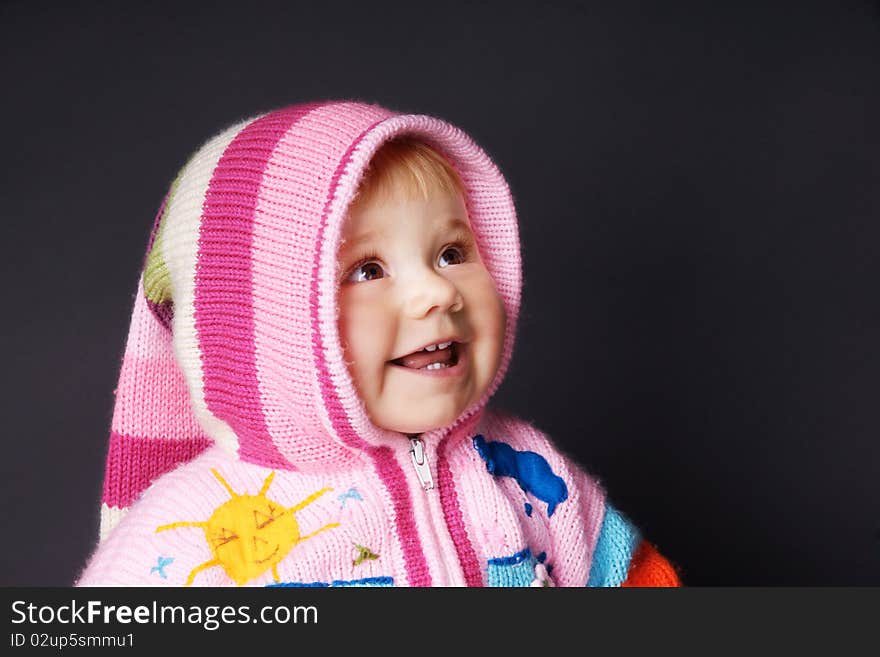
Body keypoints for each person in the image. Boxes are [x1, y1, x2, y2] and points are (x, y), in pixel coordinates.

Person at [77, 101, 680, 587]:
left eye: (452, 253)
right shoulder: (188, 540)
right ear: (259, 327)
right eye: (367, 270)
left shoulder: (530, 472)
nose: (436, 293)